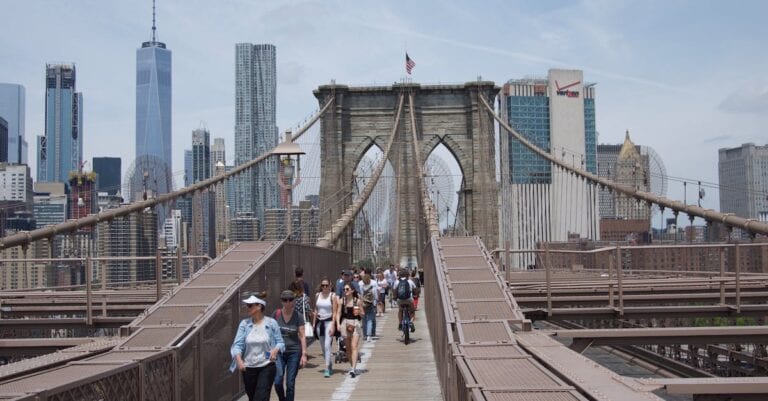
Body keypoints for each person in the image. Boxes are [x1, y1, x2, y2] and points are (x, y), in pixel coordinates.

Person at [230, 293, 285, 401]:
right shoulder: (244, 324)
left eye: (250, 305)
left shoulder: (271, 323)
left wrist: (275, 350)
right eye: (247, 305)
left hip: (267, 365)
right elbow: (237, 345)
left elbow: (280, 342)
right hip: (248, 368)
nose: (247, 308)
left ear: (259, 306)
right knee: (253, 398)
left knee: (261, 397)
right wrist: (239, 361)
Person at [273, 289, 308, 401]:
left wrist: (304, 354)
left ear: (293, 301)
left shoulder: (298, 316)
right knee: (278, 381)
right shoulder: (276, 314)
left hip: (294, 352)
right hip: (279, 352)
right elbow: (270, 333)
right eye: (285, 300)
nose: (287, 303)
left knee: (290, 383)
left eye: (290, 300)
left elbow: (302, 336)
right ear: (281, 301)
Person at [336, 283, 363, 377]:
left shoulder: (358, 301)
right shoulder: (341, 301)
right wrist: (338, 324)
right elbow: (338, 313)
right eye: (344, 289)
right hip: (345, 323)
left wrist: (359, 312)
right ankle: (352, 366)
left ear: (352, 290)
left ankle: (353, 369)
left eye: (347, 289)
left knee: (353, 346)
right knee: (348, 348)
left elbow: (363, 314)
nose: (345, 291)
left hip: (356, 323)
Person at [312, 277, 337, 377]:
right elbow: (316, 310)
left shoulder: (333, 296)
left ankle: (326, 368)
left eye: (327, 285)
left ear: (330, 286)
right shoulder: (317, 295)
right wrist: (314, 323)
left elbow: (335, 312)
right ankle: (329, 363)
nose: (325, 287)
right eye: (323, 285)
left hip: (329, 322)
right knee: (323, 347)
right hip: (319, 323)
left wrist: (334, 325)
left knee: (327, 345)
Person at [395, 269, 416, 333]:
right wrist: (415, 295)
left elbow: (394, 291)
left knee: (400, 310)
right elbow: (415, 290)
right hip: (409, 299)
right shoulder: (410, 281)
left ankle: (400, 323)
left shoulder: (397, 282)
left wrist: (395, 298)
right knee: (412, 311)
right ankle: (411, 323)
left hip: (400, 300)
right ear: (407, 275)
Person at [360, 268, 378, 342]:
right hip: (371, 304)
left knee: (364, 320)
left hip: (363, 304)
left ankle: (364, 335)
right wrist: (376, 303)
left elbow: (360, 295)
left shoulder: (361, 285)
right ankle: (369, 335)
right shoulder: (373, 285)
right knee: (370, 319)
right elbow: (375, 296)